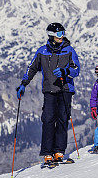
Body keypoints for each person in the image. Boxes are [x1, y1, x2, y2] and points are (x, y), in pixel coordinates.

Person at [16, 22, 80, 166]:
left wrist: (66, 71)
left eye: (63, 33)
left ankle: (59, 151)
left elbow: (76, 69)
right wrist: (23, 83)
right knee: (48, 120)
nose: (62, 36)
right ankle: (47, 153)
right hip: (50, 90)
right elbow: (31, 68)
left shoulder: (69, 50)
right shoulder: (42, 52)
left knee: (63, 119)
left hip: (65, 89)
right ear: (51, 35)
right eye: (59, 34)